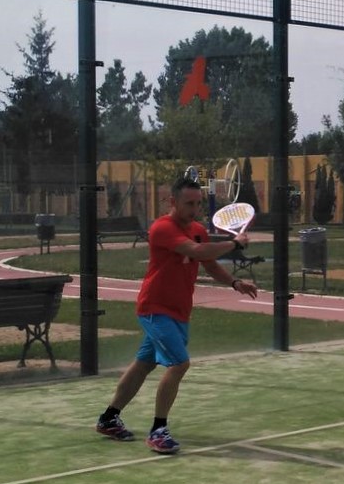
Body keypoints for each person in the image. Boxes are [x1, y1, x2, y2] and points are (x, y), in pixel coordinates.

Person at [95, 176, 259, 453]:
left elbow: (208, 263)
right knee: (180, 364)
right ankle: (158, 431)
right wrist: (235, 244)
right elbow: (195, 250)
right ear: (173, 202)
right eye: (188, 203)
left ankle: (109, 418)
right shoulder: (162, 228)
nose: (194, 209)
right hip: (154, 309)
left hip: (179, 312)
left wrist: (234, 282)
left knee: (143, 364)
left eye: (198, 204)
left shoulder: (198, 229)